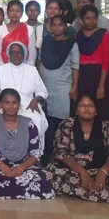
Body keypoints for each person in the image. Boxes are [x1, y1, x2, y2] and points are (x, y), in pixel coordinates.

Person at [48, 95, 109, 203]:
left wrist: (103, 172)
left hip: (99, 170)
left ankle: (79, 192)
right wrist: (82, 172)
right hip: (73, 171)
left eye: (90, 105)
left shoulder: (106, 126)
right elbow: (60, 152)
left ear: (96, 111)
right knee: (53, 173)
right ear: (76, 110)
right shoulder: (67, 124)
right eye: (82, 105)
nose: (86, 108)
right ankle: (108, 193)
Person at [0, 89, 55, 199]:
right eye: (7, 102)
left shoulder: (28, 124)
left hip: (23, 167)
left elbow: (35, 154)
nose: (11, 106)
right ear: (0, 104)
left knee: (42, 177)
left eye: (14, 102)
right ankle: (14, 191)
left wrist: (20, 168)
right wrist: (1, 165)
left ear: (19, 104)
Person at [0, 42, 49, 154]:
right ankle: (2, 150)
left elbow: (42, 91)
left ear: (24, 54)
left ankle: (32, 152)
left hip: (27, 104)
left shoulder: (32, 70)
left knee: (36, 118)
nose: (16, 55)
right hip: (6, 104)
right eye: (13, 52)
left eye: (19, 52)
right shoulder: (1, 69)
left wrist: (35, 100)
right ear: (9, 54)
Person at [37, 15, 79, 163]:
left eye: (60, 25)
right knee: (46, 121)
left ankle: (61, 156)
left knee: (61, 122)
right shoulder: (46, 41)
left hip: (63, 87)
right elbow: (40, 61)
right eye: (54, 25)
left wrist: (74, 87)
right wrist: (38, 83)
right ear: (50, 27)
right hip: (45, 86)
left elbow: (75, 67)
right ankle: (46, 155)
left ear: (65, 27)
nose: (57, 28)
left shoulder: (72, 44)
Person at [75, 4, 109, 119]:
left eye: (94, 18)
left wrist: (101, 86)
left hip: (99, 75)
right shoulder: (77, 36)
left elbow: (106, 61)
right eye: (87, 18)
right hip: (83, 76)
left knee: (100, 108)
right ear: (81, 20)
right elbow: (75, 62)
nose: (91, 21)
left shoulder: (104, 34)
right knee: (83, 106)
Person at [0, 0, 36, 66]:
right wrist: (1, 67)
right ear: (7, 13)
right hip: (4, 65)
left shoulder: (29, 29)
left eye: (18, 11)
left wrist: (29, 67)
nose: (14, 13)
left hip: (24, 66)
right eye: (12, 11)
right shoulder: (0, 29)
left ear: (22, 13)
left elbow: (32, 52)